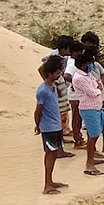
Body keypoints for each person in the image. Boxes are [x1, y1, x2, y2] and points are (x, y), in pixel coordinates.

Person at [70, 50, 104, 176]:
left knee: (98, 131)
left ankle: (92, 157)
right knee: (93, 136)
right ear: (82, 64)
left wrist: (98, 88)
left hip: (96, 107)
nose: (91, 66)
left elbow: (98, 86)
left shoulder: (87, 75)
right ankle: (89, 164)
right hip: (88, 108)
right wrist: (98, 88)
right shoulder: (79, 78)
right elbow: (93, 91)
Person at [35, 55, 70, 194]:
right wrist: (38, 125)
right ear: (50, 73)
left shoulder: (53, 87)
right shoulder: (43, 90)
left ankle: (50, 181)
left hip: (55, 125)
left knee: (54, 153)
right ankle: (47, 184)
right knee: (50, 154)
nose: (59, 74)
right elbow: (38, 111)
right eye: (57, 72)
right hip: (48, 127)